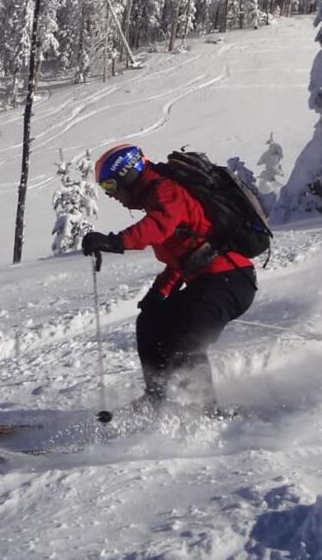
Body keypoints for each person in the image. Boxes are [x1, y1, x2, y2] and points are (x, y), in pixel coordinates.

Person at [81, 143, 256, 415]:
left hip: (230, 279)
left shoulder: (166, 191)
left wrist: (116, 242)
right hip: (210, 281)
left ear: (128, 173)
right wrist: (158, 293)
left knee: (187, 340)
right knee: (151, 321)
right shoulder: (158, 196)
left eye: (111, 186)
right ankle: (156, 399)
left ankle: (207, 412)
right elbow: (181, 260)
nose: (111, 195)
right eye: (105, 190)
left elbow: (159, 227)